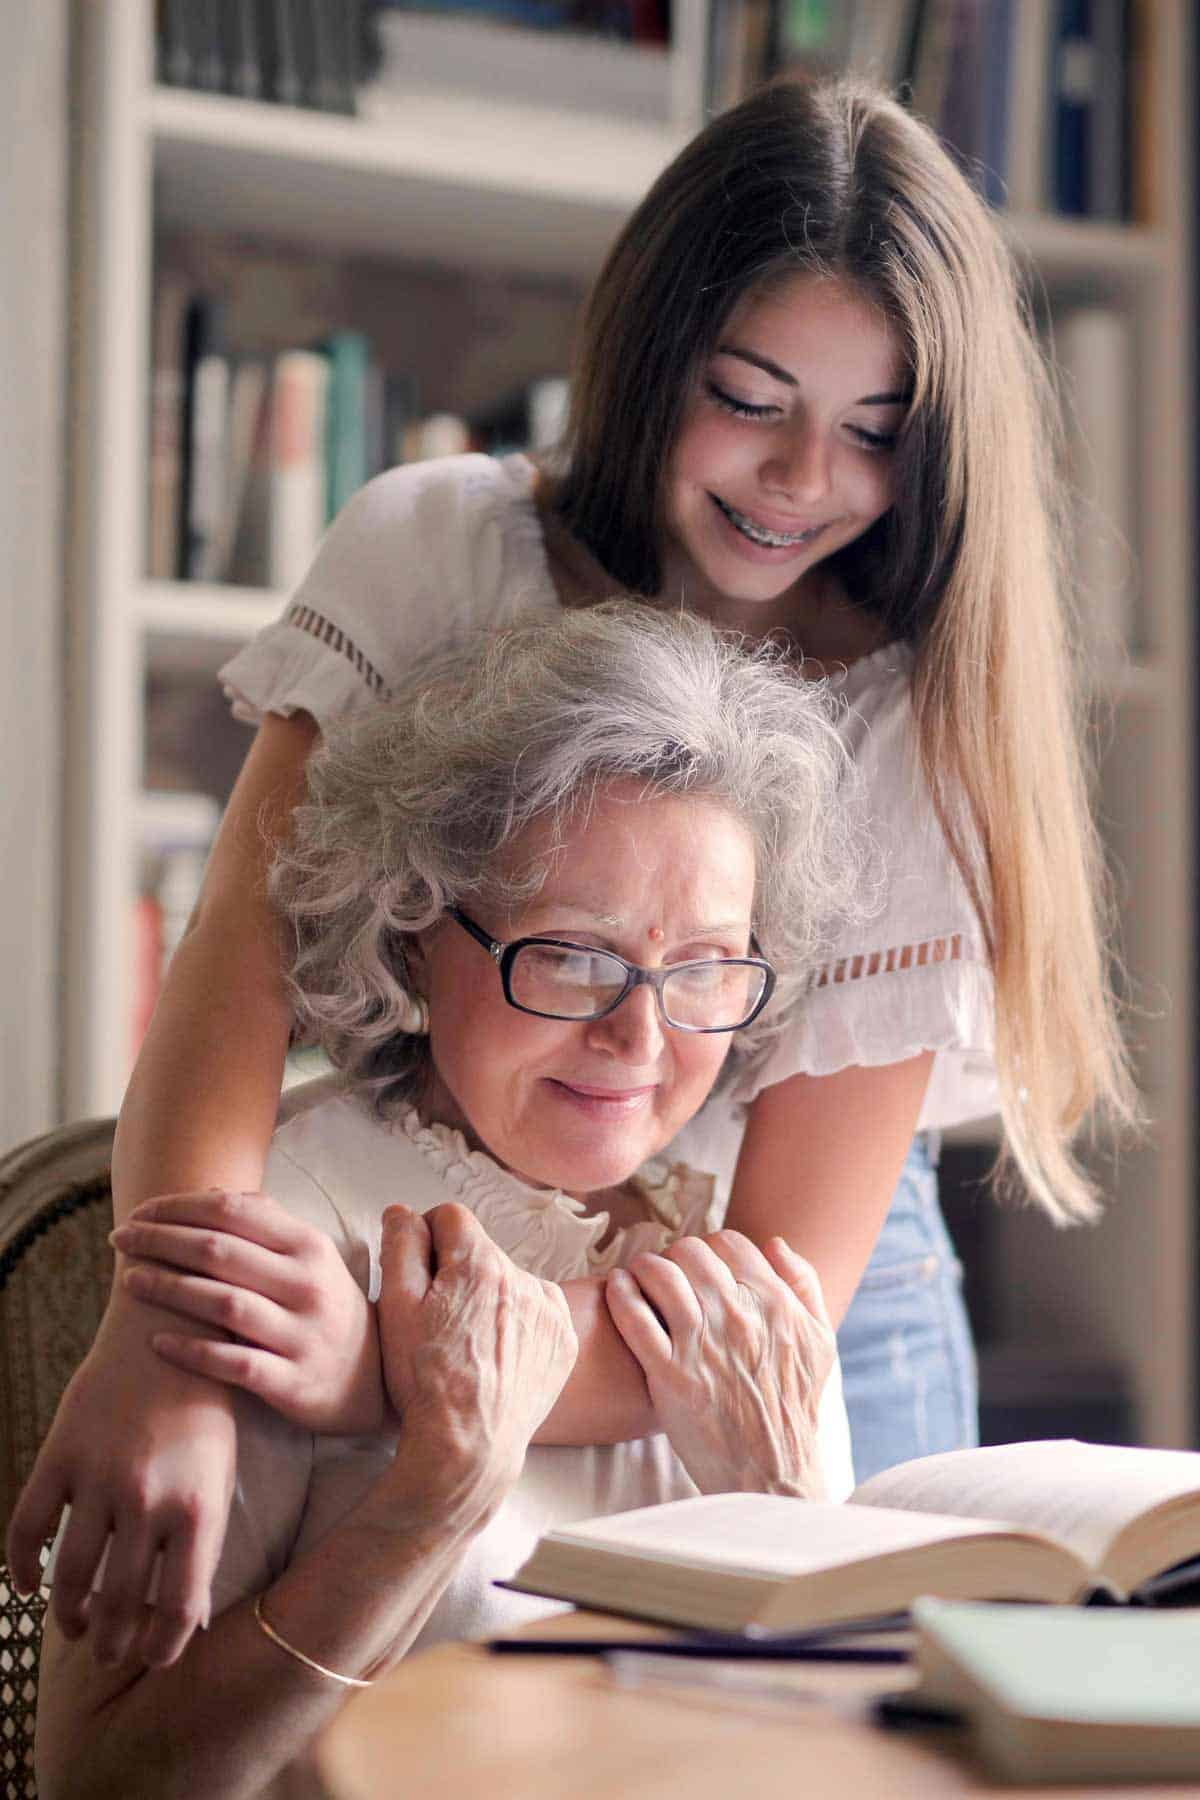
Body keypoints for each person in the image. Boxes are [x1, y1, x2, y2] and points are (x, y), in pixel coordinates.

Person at [12, 73, 1133, 1668]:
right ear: (651, 355)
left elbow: (783, 1280)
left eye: (874, 433)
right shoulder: (441, 548)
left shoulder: (910, 715)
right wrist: (171, 1336)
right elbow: (235, 978)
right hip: (451, 1218)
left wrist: (372, 1369)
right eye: (748, 397)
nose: (801, 480)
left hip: (782, 1304)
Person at [37, 604, 860, 1799]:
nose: (641, 1037)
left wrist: (783, 1509)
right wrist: (427, 1508)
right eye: (572, 954)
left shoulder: (740, 1278)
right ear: (417, 933)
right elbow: (97, 1779)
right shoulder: (279, 1234)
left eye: (702, 969)